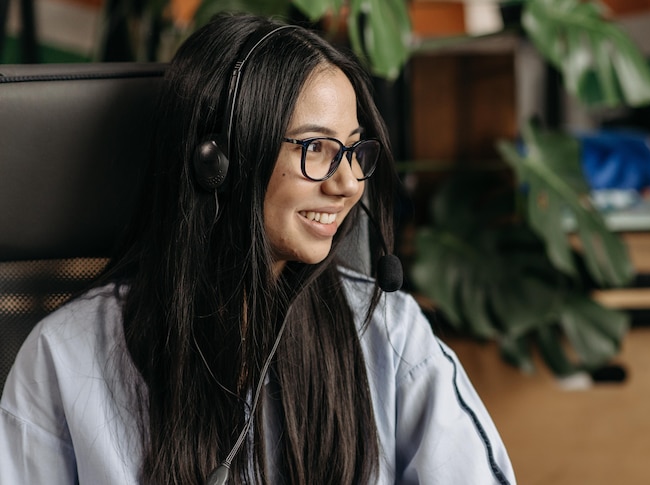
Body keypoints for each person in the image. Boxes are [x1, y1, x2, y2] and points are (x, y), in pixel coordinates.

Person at [0, 13, 515, 485]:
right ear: (216, 162)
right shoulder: (64, 358)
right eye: (316, 148)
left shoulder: (389, 336)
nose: (348, 184)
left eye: (355, 150)